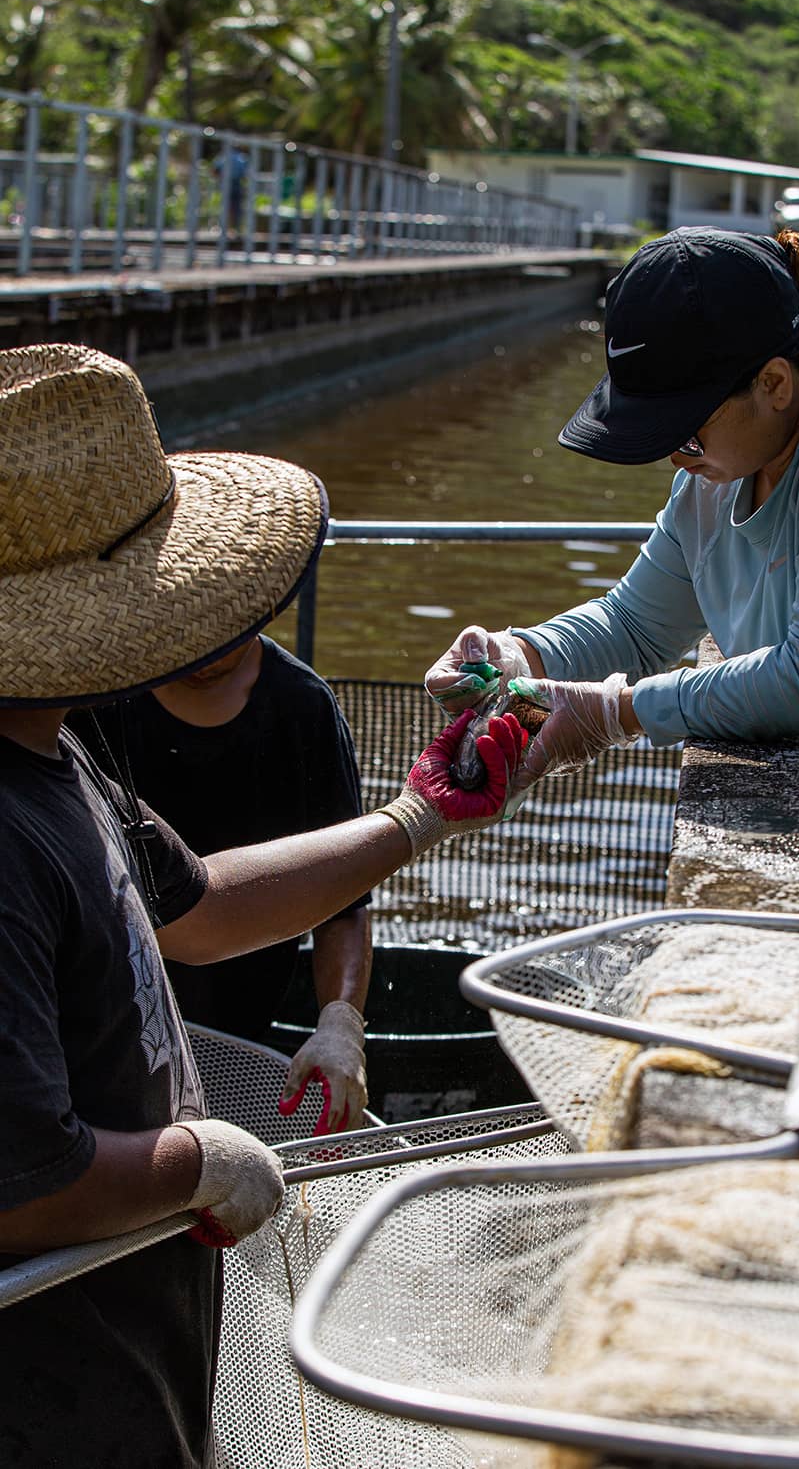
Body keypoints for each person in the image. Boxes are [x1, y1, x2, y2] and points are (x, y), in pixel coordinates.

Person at [0, 341, 527, 1469]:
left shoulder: (57, 746)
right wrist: (202, 1159)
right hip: (46, 1392)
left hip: (135, 1345)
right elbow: (22, 1188)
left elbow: (200, 910)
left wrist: (422, 814)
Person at [427, 226, 799, 954]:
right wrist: (519, 657)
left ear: (774, 384)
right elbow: (634, 625)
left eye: (687, 432)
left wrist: (615, 712)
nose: (676, 453)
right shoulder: (711, 480)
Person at [70, 632, 374, 1136]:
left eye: (221, 636)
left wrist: (341, 1022)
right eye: (187, 633)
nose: (202, 651)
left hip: (247, 1018)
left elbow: (347, 899)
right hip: (114, 1018)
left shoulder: (304, 707)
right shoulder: (97, 700)